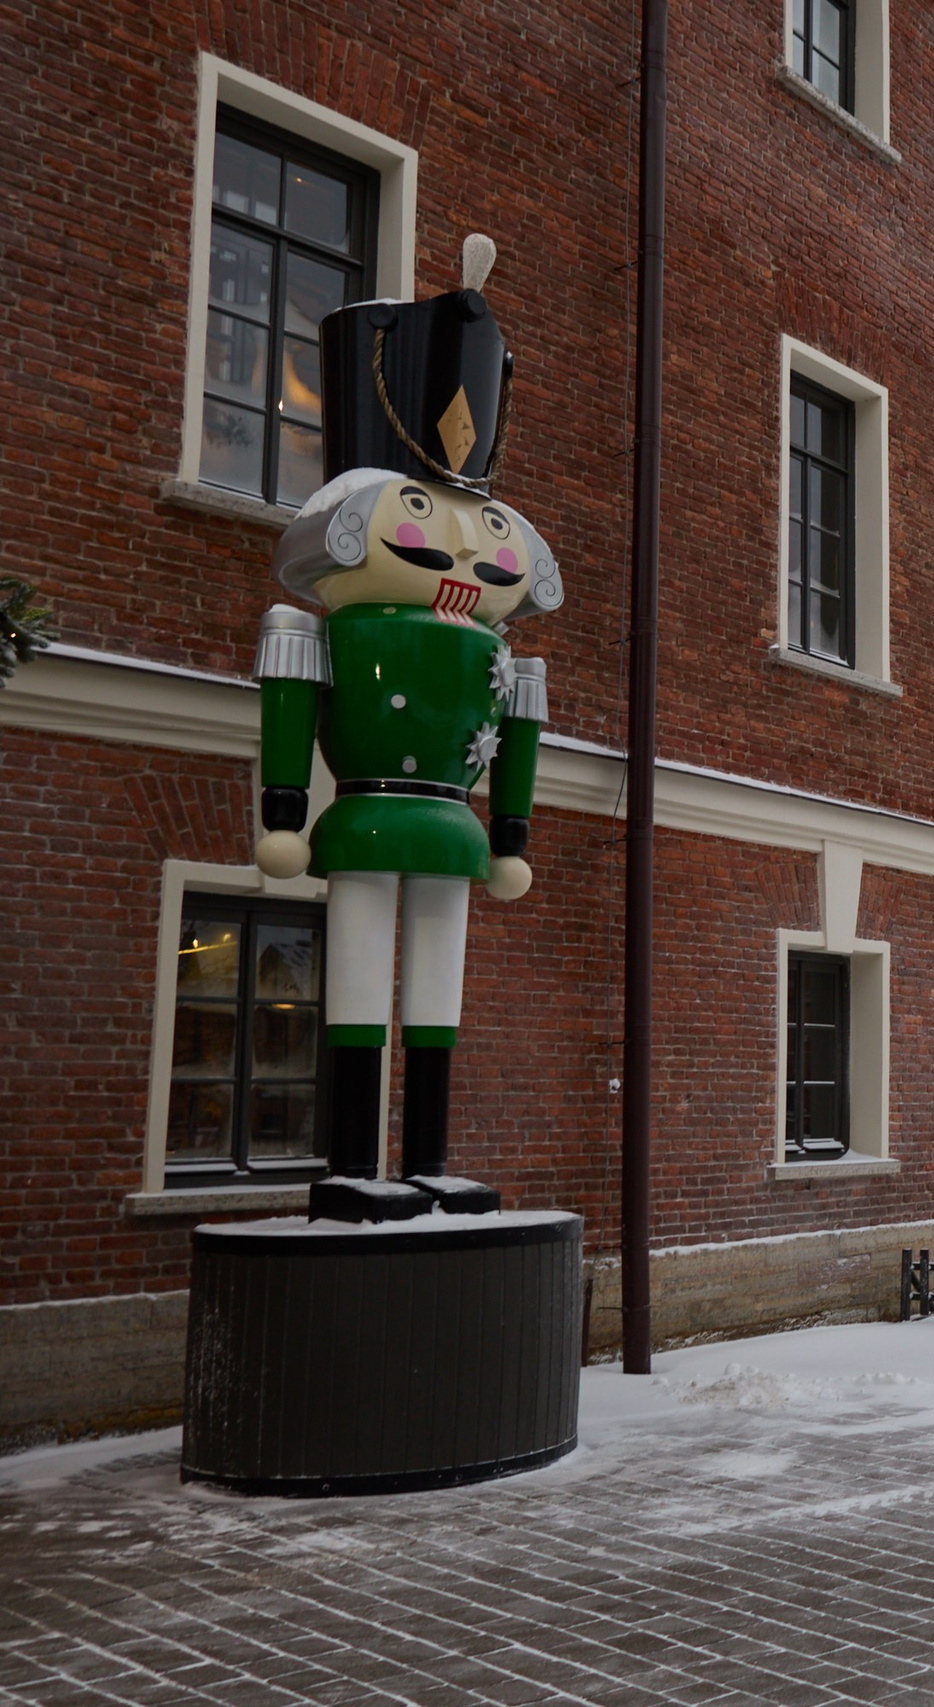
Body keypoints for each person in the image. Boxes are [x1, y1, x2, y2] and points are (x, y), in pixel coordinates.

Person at [253, 237, 562, 1222]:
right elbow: (292, 707)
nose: (464, 557)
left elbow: (513, 741)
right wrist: (287, 810)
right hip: (369, 816)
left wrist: (510, 833)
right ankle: (351, 1160)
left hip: (453, 828)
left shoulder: (496, 649)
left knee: (436, 994)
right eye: (427, 521)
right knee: (354, 978)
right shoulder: (331, 627)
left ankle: (426, 1153)